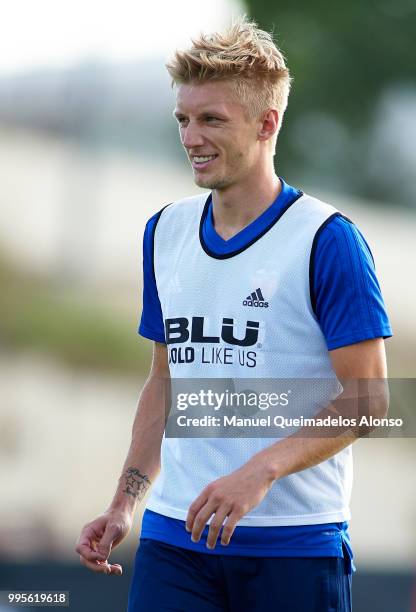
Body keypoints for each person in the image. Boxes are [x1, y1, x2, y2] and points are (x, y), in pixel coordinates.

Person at [76, 17, 393, 611]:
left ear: (267, 123)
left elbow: (370, 399)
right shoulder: (163, 233)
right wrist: (126, 502)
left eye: (212, 119)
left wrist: (261, 470)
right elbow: (165, 381)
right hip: (176, 543)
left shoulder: (327, 240)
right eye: (183, 120)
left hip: (295, 549)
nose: (191, 136)